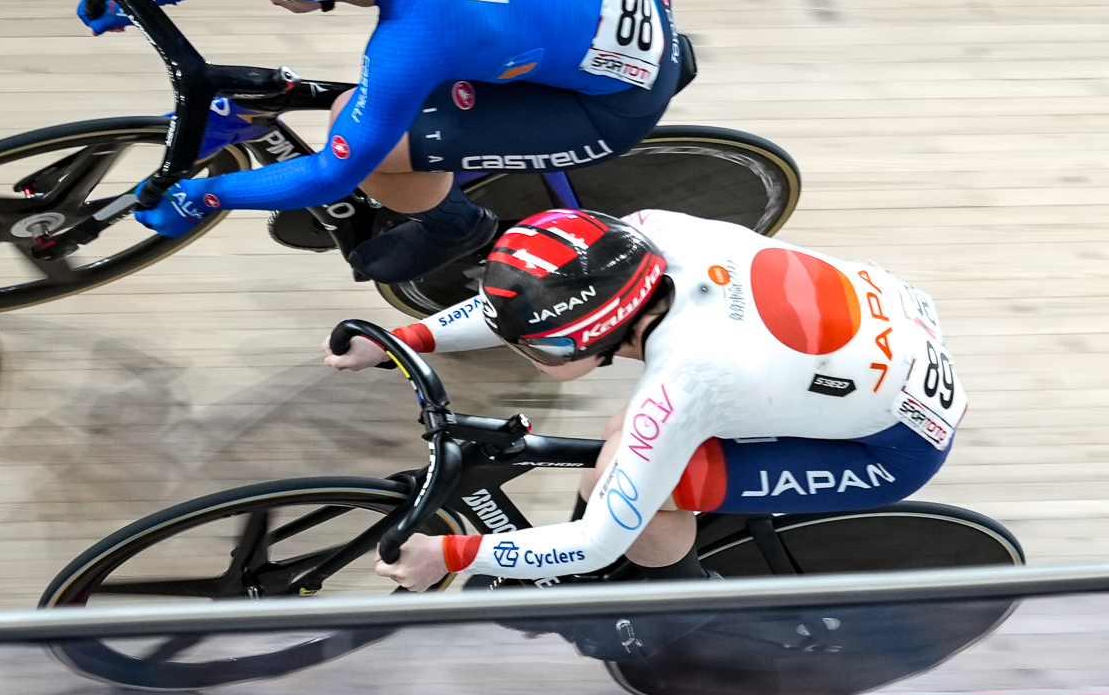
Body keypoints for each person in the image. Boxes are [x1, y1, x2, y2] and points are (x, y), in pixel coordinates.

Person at [78, 0, 686, 284]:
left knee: (364, 134)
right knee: (398, 98)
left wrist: (204, 197)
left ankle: (458, 226)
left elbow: (331, 178)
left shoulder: (424, 29)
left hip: (603, 103)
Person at [324, 209, 966, 589]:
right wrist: (405, 338)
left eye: (534, 348)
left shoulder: (689, 377)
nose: (518, 348)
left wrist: (450, 554)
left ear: (589, 340)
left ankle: (677, 612)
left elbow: (597, 542)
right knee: (626, 441)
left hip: (890, 445)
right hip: (874, 336)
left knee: (641, 488)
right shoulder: (644, 237)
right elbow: (533, 298)